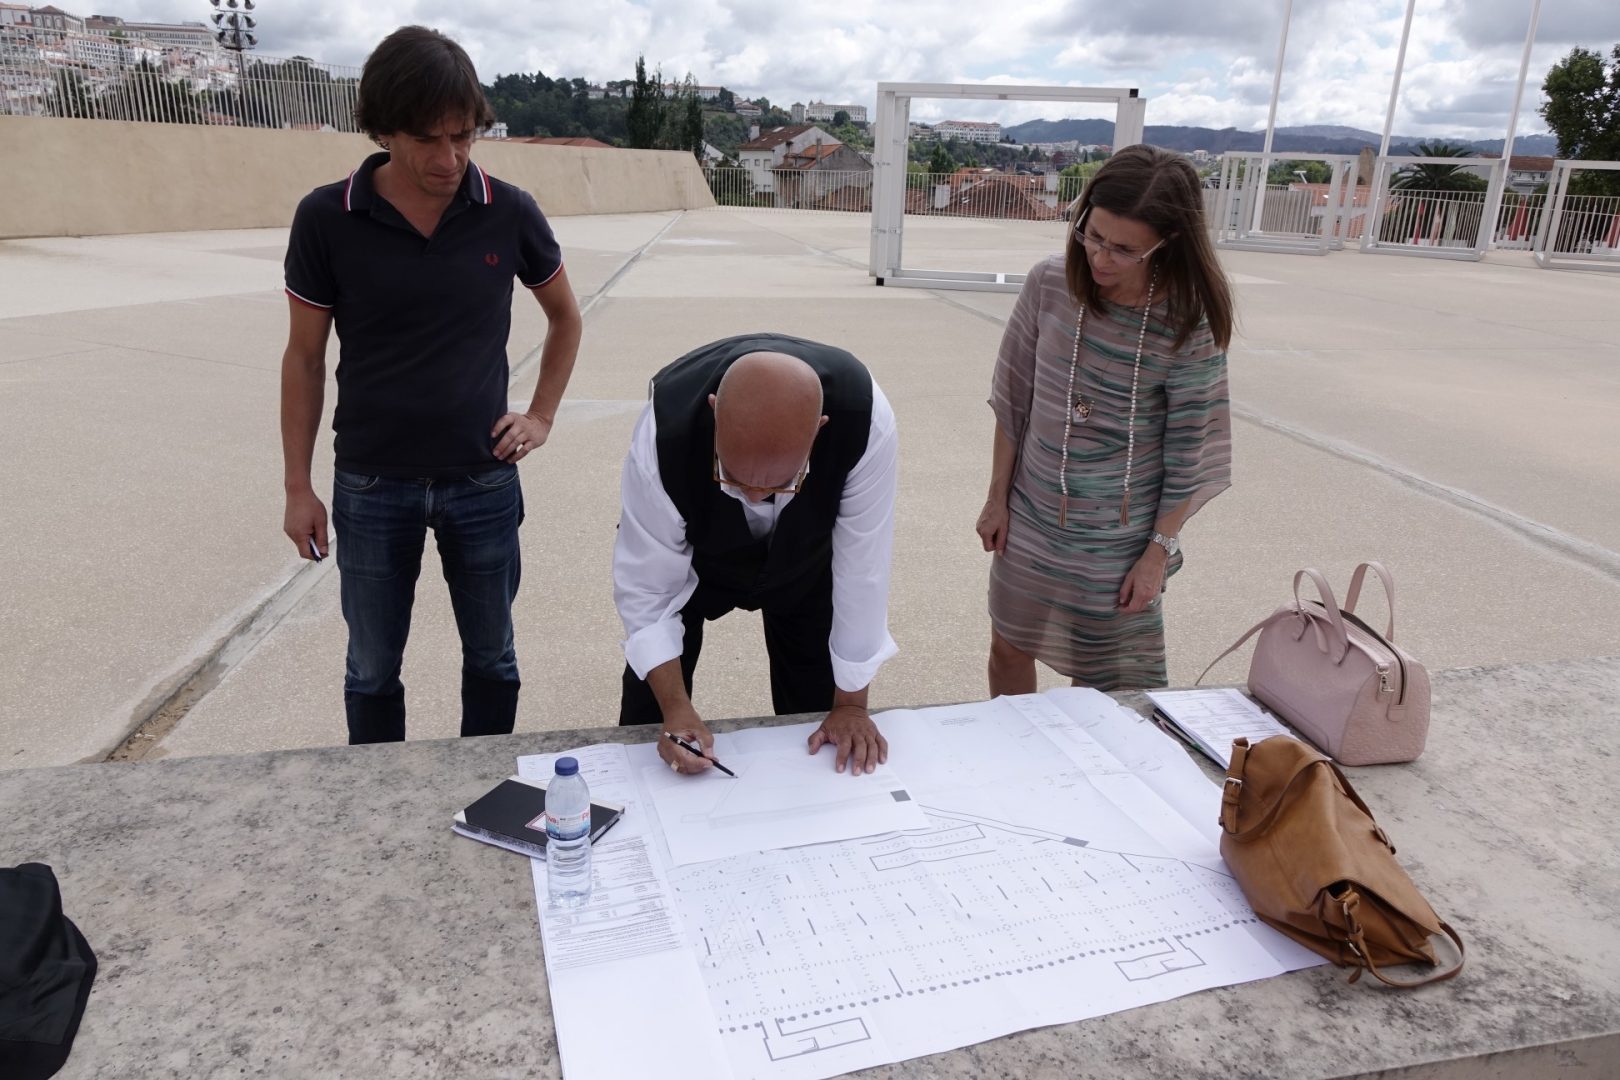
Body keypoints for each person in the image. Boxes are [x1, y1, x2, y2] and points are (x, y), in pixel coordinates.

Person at [279, 26, 583, 743]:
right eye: (428, 140)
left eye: (465, 137)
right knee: (373, 666)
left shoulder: (508, 209)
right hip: (370, 483)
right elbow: (302, 359)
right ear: (383, 129)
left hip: (482, 479)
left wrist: (539, 415)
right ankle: (377, 807)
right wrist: (298, 487)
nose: (450, 158)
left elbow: (566, 318)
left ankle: (487, 785)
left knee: (494, 657)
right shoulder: (327, 217)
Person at [976, 145, 1234, 694]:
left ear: (1170, 244)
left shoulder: (1188, 325)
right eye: (1093, 235)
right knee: (1008, 645)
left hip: (1118, 539)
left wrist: (1156, 554)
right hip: (1031, 514)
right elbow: (1013, 399)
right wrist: (997, 498)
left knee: (1109, 684)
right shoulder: (1048, 284)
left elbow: (1187, 453)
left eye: (1124, 249)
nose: (1101, 258)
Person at [614, 335, 899, 776]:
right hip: (697, 555)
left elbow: (863, 571)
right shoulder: (664, 430)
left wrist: (852, 706)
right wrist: (675, 709)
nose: (754, 496)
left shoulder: (865, 423)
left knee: (818, 719)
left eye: (779, 484)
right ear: (714, 411)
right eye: (732, 478)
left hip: (804, 563)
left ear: (819, 429)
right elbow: (647, 588)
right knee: (650, 721)